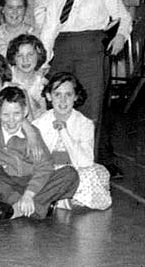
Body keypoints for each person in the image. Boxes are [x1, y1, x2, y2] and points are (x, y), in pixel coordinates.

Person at [41, 0, 132, 146]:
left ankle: (88, 159)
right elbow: (48, 30)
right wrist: (43, 61)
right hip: (62, 50)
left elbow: (124, 18)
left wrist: (120, 37)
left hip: (91, 50)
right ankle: (60, 156)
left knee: (90, 106)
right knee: (58, 101)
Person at [0, 86, 79, 222]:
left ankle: (15, 209)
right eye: (5, 114)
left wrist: (29, 194)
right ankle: (35, 206)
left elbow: (45, 167)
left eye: (16, 114)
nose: (11, 120)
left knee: (70, 174)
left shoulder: (32, 135)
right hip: (3, 183)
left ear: (25, 112)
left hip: (28, 183)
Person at [34, 73, 111, 210]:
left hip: (74, 169)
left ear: (76, 97)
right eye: (57, 94)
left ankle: (58, 199)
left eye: (68, 95)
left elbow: (85, 161)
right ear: (49, 96)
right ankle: (59, 199)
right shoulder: (40, 122)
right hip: (49, 171)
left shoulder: (85, 123)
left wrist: (64, 132)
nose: (63, 100)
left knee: (99, 173)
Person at [7, 34, 48, 120]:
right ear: (13, 58)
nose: (25, 60)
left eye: (30, 54)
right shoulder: (6, 78)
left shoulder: (43, 83)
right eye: (19, 55)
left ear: (38, 55)